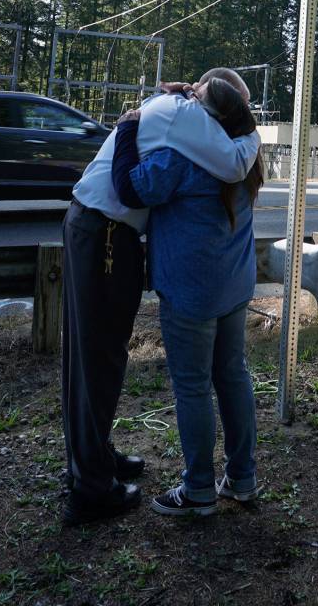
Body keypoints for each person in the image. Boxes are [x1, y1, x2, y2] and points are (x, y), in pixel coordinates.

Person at [61, 69, 260, 526]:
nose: (189, 95)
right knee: (224, 374)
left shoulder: (191, 148)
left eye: (196, 92)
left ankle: (182, 485)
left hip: (183, 284)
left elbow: (131, 187)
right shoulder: (240, 152)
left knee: (113, 361)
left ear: (204, 102)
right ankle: (94, 473)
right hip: (223, 281)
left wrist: (126, 126)